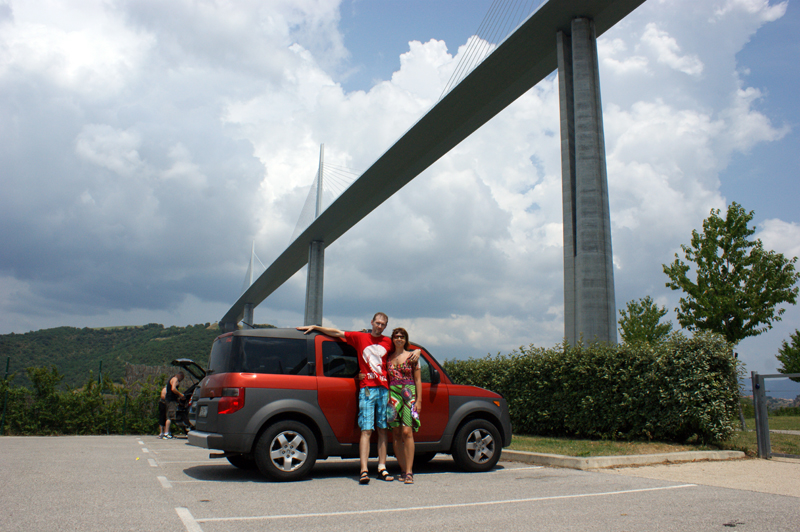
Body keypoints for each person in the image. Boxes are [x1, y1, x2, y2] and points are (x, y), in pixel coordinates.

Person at [299, 312, 416, 484]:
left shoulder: (388, 342)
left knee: (383, 430)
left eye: (383, 324)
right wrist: (316, 327)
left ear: (385, 326)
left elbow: (404, 348)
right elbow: (338, 333)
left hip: (384, 390)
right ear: (372, 322)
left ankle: (382, 468)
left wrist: (418, 351)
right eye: (377, 323)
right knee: (366, 430)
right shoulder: (360, 337)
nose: (380, 326)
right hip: (367, 389)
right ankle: (364, 470)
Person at [386, 327, 422, 484]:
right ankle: (402, 469)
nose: (399, 339)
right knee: (396, 433)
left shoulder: (413, 356)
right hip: (392, 395)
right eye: (396, 336)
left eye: (402, 336)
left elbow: (418, 380)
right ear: (393, 339)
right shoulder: (388, 358)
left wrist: (419, 400)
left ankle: (409, 471)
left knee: (407, 432)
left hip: (409, 394)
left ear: (406, 340)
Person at [163, 371, 185, 439]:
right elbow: (173, 389)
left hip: (170, 400)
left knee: (169, 416)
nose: (181, 380)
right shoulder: (175, 379)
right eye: (181, 378)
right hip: (171, 400)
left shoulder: (172, 379)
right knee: (169, 416)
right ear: (179, 375)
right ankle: (166, 434)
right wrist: (180, 395)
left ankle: (168, 432)